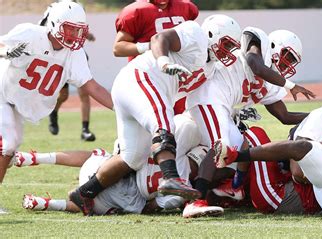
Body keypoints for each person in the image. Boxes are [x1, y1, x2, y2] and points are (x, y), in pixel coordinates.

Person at [68, 15, 238, 216]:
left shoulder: (210, 68)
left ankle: (85, 192)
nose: (228, 52)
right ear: (212, 34)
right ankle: (171, 177)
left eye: (232, 47)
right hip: (141, 79)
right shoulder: (196, 35)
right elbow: (159, 38)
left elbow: (201, 98)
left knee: (132, 157)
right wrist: (164, 61)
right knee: (164, 124)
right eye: (226, 43)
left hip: (135, 88)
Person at [184, 27, 315, 216]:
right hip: (209, 98)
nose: (288, 63)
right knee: (220, 145)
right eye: (287, 55)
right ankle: (196, 201)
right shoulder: (258, 43)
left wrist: (319, 115)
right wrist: (290, 85)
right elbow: (256, 66)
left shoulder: (271, 82)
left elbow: (284, 116)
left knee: (240, 154)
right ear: (273, 46)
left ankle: (231, 187)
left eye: (293, 60)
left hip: (222, 108)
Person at [213, 89, 322, 218]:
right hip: (311, 191)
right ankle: (235, 188)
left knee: (254, 134)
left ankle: (236, 185)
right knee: (285, 147)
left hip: (300, 196)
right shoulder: (317, 125)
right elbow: (298, 171)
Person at [0, 1, 113, 185]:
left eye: (78, 30)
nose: (74, 35)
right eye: (69, 29)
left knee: (8, 151)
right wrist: (6, 52)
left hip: (19, 103)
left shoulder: (74, 54)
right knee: (8, 144)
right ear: (54, 24)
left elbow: (92, 86)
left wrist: (120, 107)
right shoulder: (31, 33)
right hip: (2, 93)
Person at [21, 149, 186, 215]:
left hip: (98, 170)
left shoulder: (166, 147)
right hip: (113, 200)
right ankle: (46, 203)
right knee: (125, 206)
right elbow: (150, 207)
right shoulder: (181, 190)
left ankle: (35, 157)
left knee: (101, 153)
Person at [114, 0, 198, 115]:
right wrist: (151, 46)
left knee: (184, 125)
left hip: (179, 79)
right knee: (155, 125)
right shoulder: (136, 11)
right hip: (150, 79)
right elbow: (118, 48)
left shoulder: (186, 7)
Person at [39, 0, 98, 141]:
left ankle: (85, 129)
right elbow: (42, 27)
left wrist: (86, 34)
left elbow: (78, 27)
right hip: (60, 55)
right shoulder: (54, 8)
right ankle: (53, 112)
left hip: (75, 53)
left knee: (85, 91)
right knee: (63, 95)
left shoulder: (78, 6)